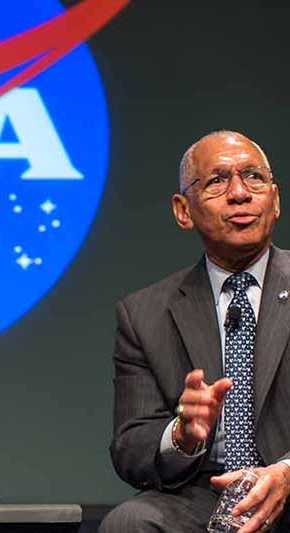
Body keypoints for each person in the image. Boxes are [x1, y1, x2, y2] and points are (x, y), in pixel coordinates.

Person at [101, 131, 290, 533]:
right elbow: (131, 447)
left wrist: (286, 472)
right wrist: (182, 436)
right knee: (130, 523)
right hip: (205, 496)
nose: (239, 193)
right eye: (217, 181)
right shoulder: (144, 315)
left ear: (275, 199)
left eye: (253, 177)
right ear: (183, 210)